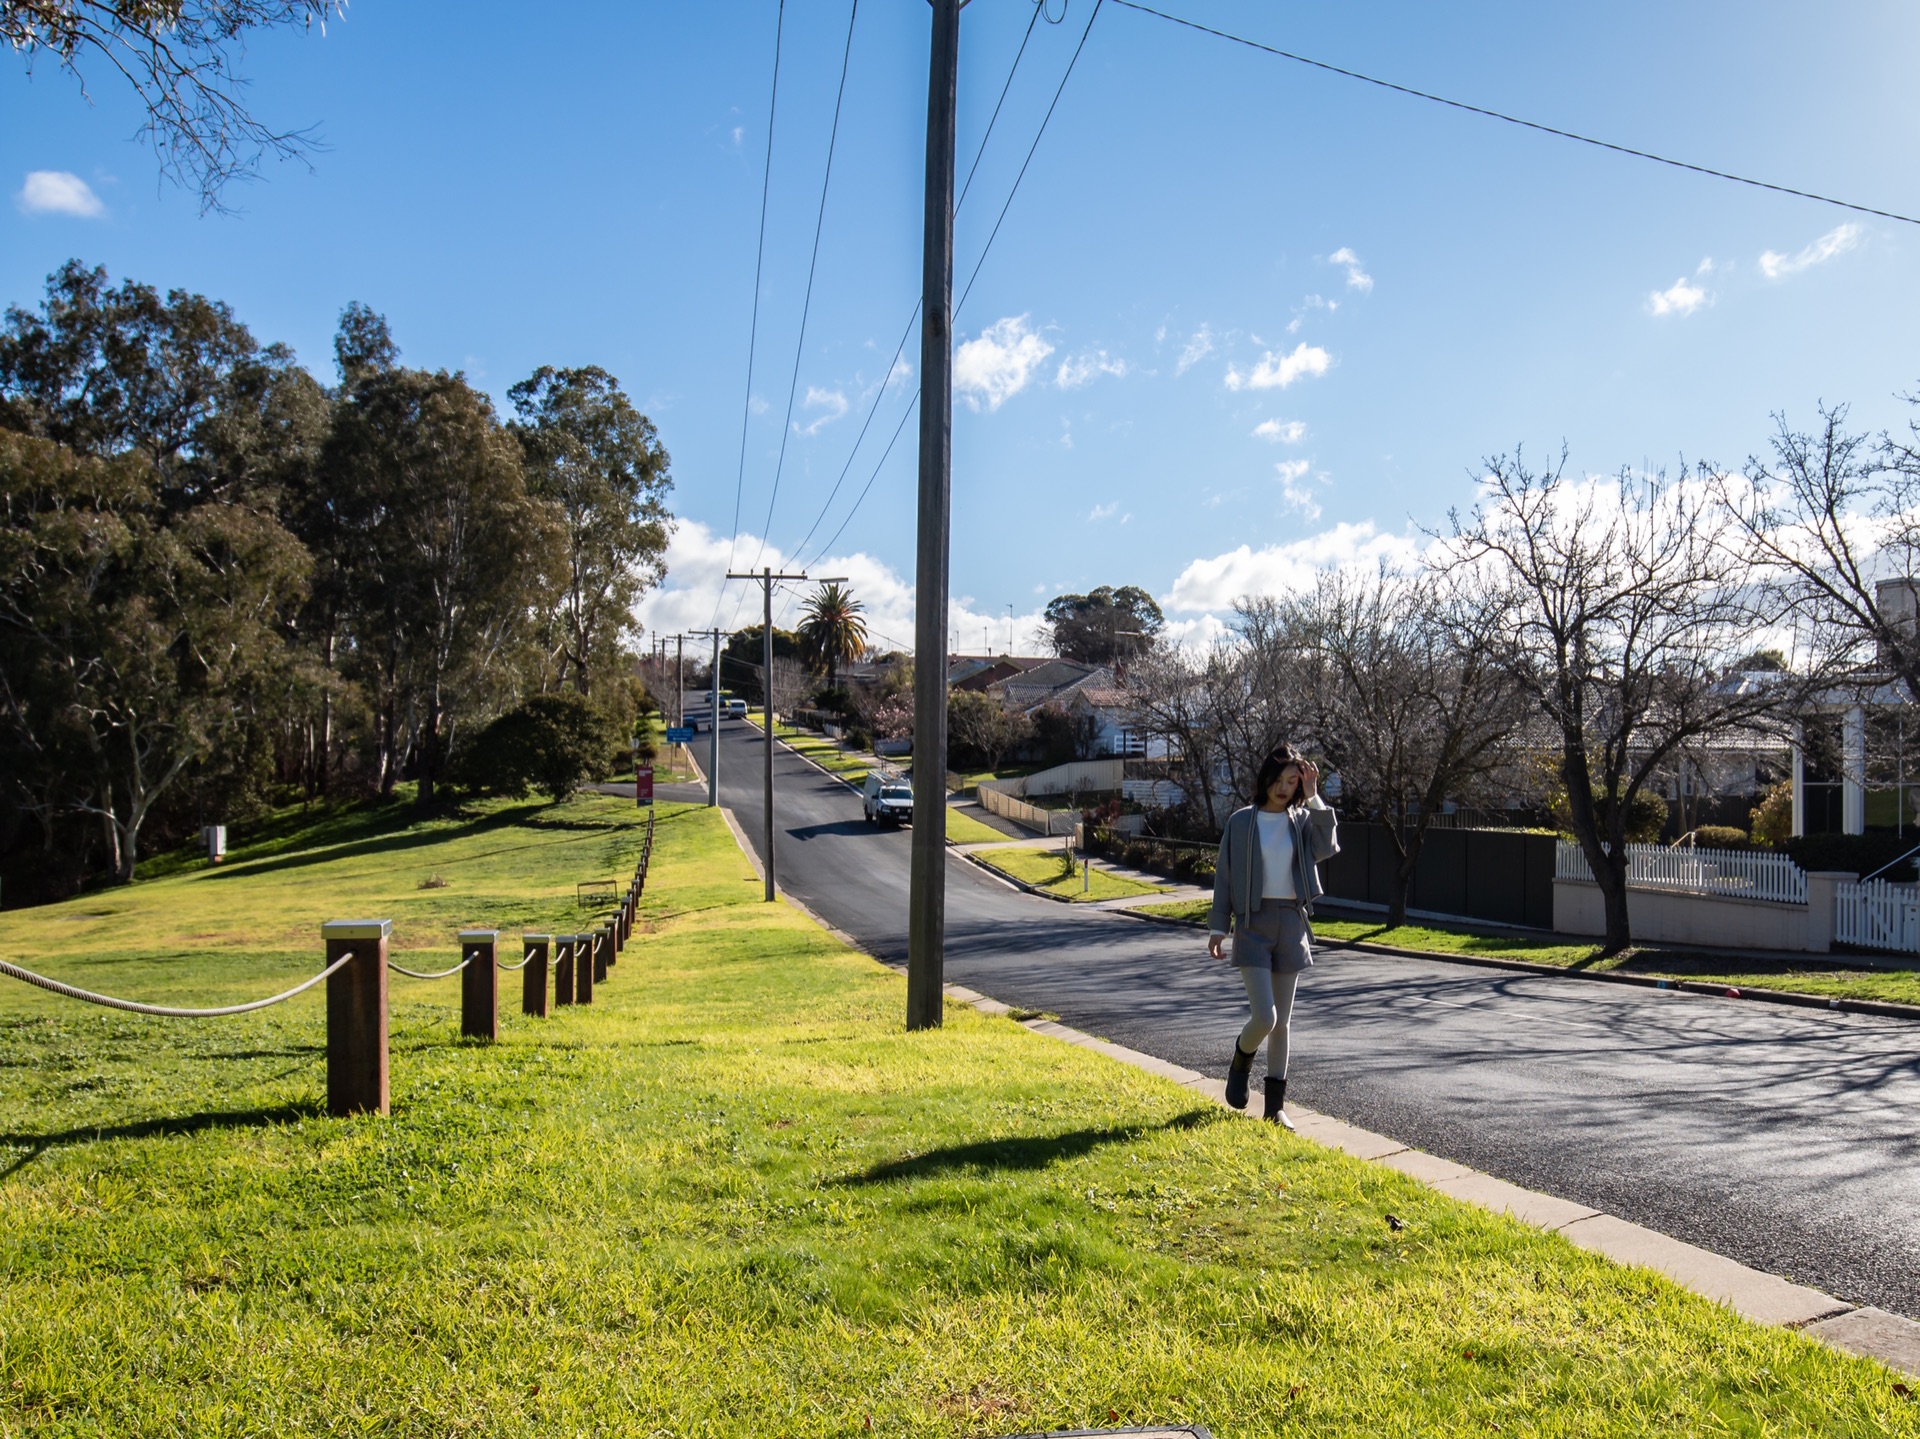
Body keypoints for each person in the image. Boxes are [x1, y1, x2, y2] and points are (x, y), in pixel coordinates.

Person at [1207, 744, 1339, 1129]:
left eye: (1291, 782)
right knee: (1265, 1016)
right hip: (1252, 923)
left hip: (1291, 923)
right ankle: (1241, 1059)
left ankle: (1274, 1108)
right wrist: (1219, 927)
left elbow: (1328, 846)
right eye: (1278, 780)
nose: (1283, 788)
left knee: (1283, 1024)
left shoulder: (1301, 820)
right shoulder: (1242, 822)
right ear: (1265, 779)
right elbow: (1225, 877)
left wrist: (1314, 797)